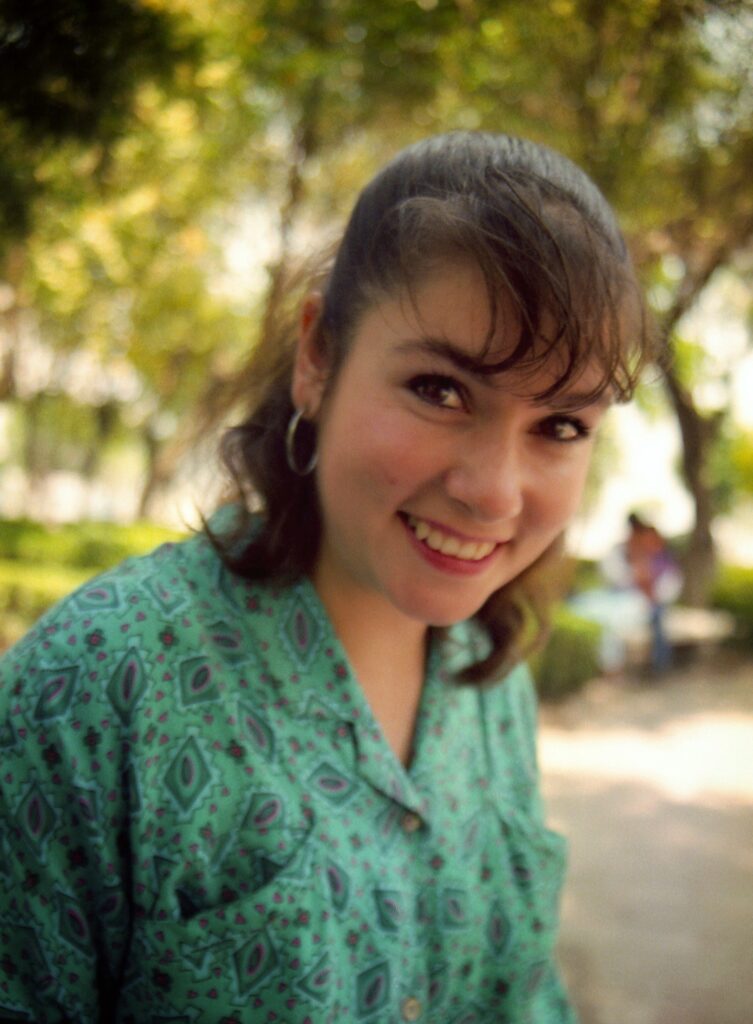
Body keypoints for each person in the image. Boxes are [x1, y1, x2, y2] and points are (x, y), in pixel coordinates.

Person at [0, 132, 651, 1022]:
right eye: (441, 390)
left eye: (562, 426)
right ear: (318, 357)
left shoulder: (488, 682)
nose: (494, 492)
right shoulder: (96, 689)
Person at [625, 512, 682, 672]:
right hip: (641, 601)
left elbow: (668, 586)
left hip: (656, 601)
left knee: (657, 620)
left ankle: (660, 664)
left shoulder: (663, 560)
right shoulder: (642, 556)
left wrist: (654, 596)